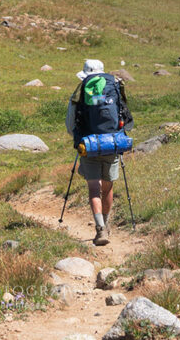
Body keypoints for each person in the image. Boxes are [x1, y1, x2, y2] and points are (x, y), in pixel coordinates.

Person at [66, 59, 133, 245]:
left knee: (94, 188)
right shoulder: (115, 87)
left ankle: (100, 228)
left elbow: (71, 124)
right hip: (112, 143)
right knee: (108, 187)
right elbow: (125, 116)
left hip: (90, 146)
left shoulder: (80, 92)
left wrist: (78, 138)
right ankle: (107, 222)